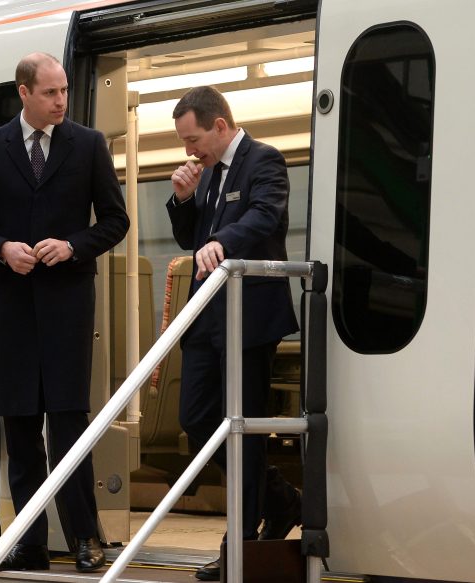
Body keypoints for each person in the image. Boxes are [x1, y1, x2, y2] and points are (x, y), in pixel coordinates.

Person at [0, 52, 129, 573]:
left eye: (65, 91)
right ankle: (30, 541)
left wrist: (73, 246)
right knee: (21, 428)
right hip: (11, 307)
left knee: (68, 424)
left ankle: (84, 539)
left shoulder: (89, 145)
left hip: (68, 306)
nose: (61, 101)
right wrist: (2, 248)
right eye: (50, 92)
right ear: (24, 93)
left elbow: (114, 221)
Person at [165, 86, 303, 581]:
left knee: (241, 428)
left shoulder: (264, 161)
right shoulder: (204, 176)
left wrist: (222, 240)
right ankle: (281, 498)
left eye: (194, 138)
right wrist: (182, 199)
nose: (189, 151)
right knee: (197, 419)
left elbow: (266, 216)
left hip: (250, 318)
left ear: (220, 126)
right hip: (207, 318)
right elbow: (192, 239)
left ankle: (239, 547)